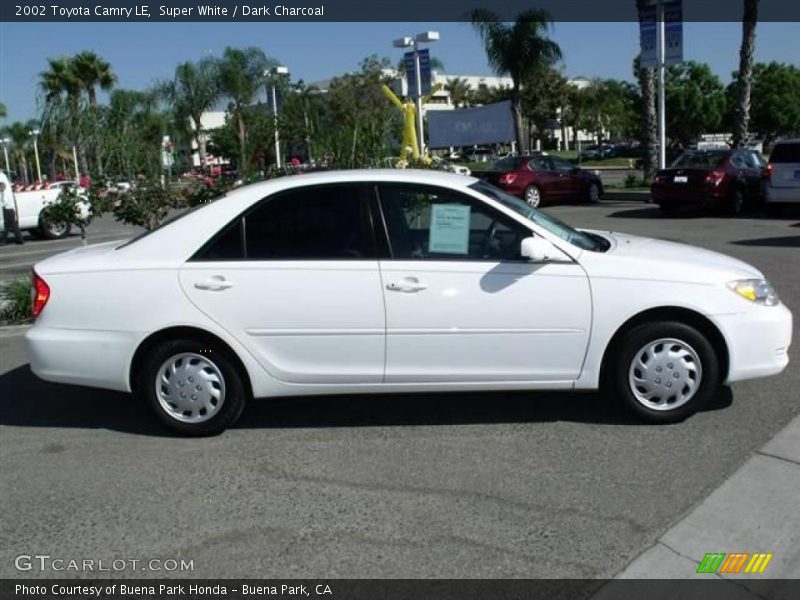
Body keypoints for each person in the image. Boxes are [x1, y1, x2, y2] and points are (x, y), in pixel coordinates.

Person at [0, 181, 25, 245]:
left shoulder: (5, 194)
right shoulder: (4, 193)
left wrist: (1, 205)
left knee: (8, 226)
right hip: (9, 210)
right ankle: (20, 239)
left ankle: (3, 241)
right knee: (13, 226)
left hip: (8, 210)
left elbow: (5, 202)